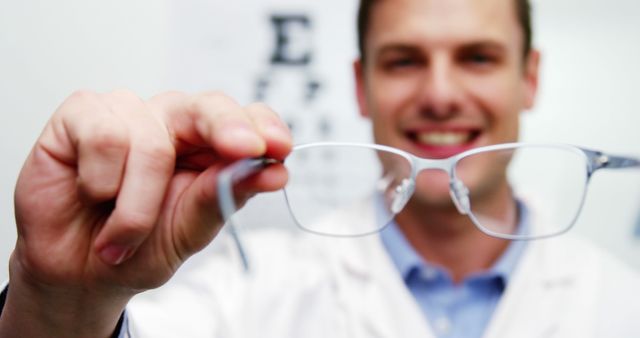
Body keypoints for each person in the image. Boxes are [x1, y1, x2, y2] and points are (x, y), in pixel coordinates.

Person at [1, 0, 639, 337]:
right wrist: (63, 303)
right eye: (403, 60)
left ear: (529, 79)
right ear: (361, 88)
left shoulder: (622, 306)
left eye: (477, 57)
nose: (441, 94)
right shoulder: (249, 297)